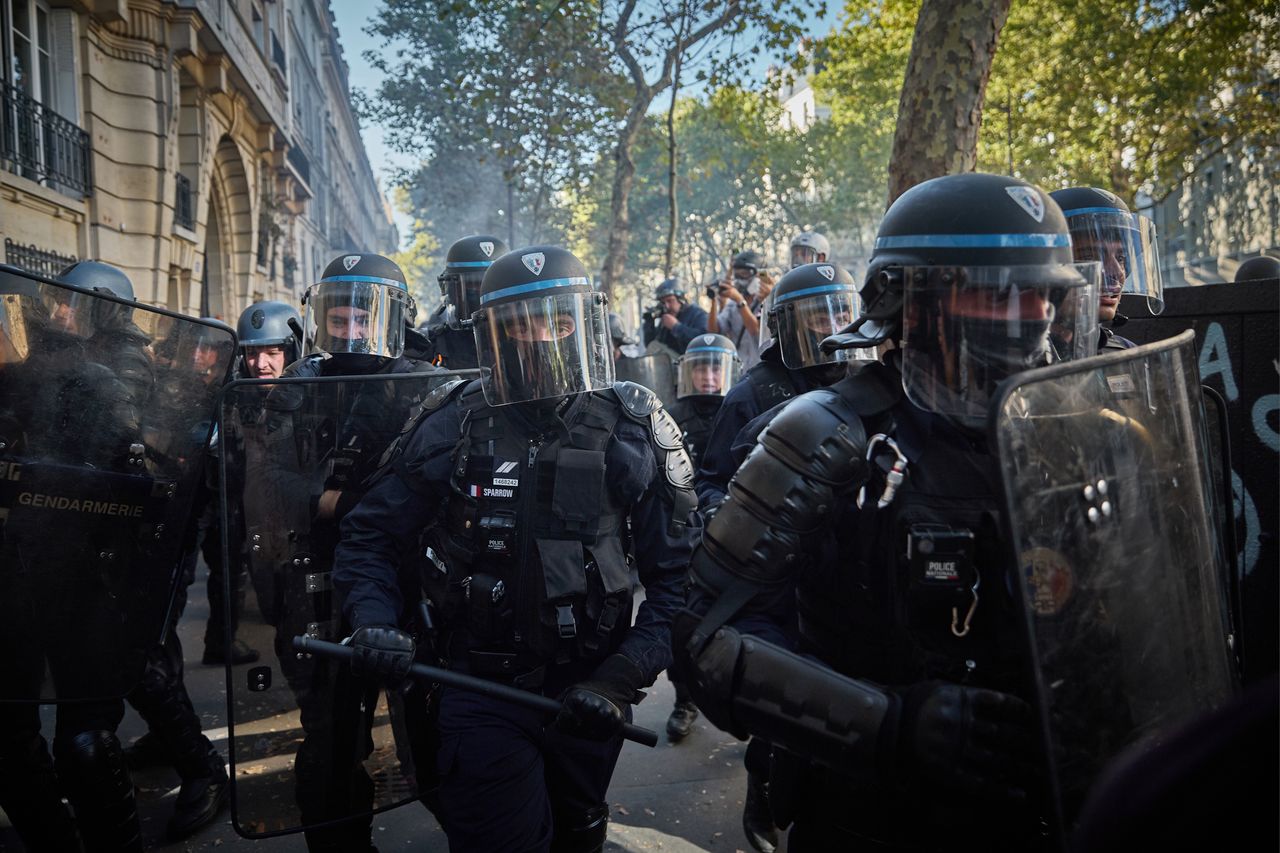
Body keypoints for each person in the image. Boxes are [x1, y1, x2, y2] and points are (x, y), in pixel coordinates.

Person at [673, 173, 1103, 851]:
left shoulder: (1081, 434)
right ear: (909, 301)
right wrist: (887, 723)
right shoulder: (824, 436)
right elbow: (705, 636)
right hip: (869, 814)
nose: (1030, 314)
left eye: (1043, 293)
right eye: (996, 294)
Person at [332, 245, 697, 852]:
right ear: (491, 334)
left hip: (591, 691)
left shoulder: (632, 425)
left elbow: (681, 577)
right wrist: (373, 623)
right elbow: (369, 533)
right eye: (517, 324)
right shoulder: (454, 420)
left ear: (583, 323)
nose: (537, 338)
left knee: (579, 832)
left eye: (555, 320)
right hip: (478, 685)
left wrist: (621, 679)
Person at [0, 261, 234, 851]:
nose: (60, 315)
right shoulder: (46, 365)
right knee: (28, 722)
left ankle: (202, 769)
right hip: (37, 558)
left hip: (107, 558)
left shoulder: (112, 371)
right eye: (59, 305)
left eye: (74, 306)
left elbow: (135, 461)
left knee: (119, 690)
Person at [664, 333, 742, 742]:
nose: (709, 376)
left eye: (716, 366)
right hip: (686, 536)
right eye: (701, 367)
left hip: (739, 536)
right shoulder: (670, 415)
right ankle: (684, 699)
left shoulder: (743, 409)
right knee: (683, 621)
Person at [1050, 187, 1164, 350]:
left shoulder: (1127, 356)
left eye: (1121, 258)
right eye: (1090, 257)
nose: (1116, 271)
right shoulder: (1012, 363)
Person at [420, 234, 508, 369]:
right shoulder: (432, 345)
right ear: (451, 291)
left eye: (490, 286)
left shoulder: (525, 339)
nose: (481, 295)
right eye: (473, 286)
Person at [707, 250, 773, 370]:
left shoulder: (767, 303)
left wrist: (740, 301)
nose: (739, 279)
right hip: (738, 371)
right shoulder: (732, 304)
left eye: (744, 274)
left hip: (762, 369)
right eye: (736, 275)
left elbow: (755, 330)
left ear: (759, 275)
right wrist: (713, 301)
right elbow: (714, 330)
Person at [642, 276, 707, 353]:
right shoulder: (667, 317)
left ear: (681, 299)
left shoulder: (697, 314)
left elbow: (704, 340)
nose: (667, 306)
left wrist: (676, 327)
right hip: (670, 363)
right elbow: (650, 345)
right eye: (663, 302)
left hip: (692, 359)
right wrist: (649, 323)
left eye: (670, 301)